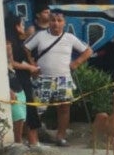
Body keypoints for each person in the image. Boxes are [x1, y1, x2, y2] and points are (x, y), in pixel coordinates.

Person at [23, 10, 92, 147]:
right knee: (37, 109)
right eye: (53, 20)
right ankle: (31, 138)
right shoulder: (40, 35)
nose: (56, 23)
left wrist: (76, 63)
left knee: (64, 108)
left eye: (59, 21)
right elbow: (25, 48)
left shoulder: (70, 38)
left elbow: (88, 50)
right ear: (49, 22)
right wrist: (32, 64)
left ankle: (61, 137)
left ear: (64, 23)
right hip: (43, 78)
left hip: (63, 79)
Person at [5, 15, 41, 145]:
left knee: (28, 109)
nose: (24, 27)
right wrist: (29, 67)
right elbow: (11, 63)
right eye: (22, 24)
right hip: (17, 79)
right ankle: (26, 141)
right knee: (24, 110)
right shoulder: (9, 43)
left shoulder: (20, 41)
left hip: (25, 78)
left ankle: (32, 140)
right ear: (16, 26)